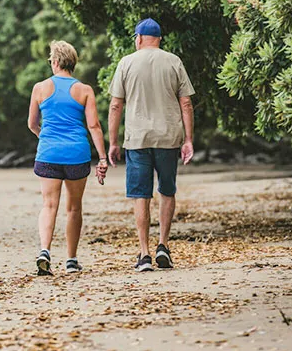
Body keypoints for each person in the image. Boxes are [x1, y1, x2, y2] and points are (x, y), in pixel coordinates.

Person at [107, 18, 195, 272]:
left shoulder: (126, 63)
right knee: (167, 190)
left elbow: (115, 105)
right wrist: (188, 139)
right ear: (159, 39)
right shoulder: (173, 61)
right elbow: (186, 103)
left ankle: (144, 254)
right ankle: (163, 246)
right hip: (168, 138)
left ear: (138, 38)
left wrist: (113, 142)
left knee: (140, 194)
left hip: (137, 139)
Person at [28, 41, 108, 276]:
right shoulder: (84, 90)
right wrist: (102, 158)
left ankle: (45, 251)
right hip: (77, 154)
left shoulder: (40, 88)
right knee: (74, 208)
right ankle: (71, 260)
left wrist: (45, 137)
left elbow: (32, 124)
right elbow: (93, 125)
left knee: (49, 205)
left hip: (49, 154)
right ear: (73, 63)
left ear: (54, 62)